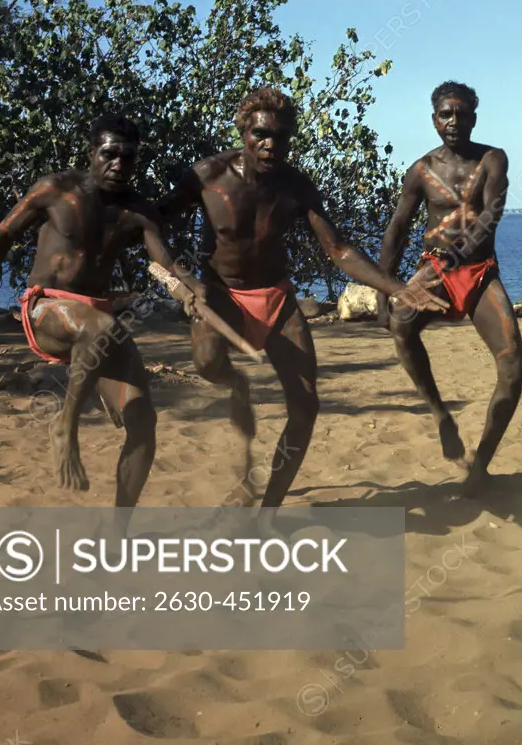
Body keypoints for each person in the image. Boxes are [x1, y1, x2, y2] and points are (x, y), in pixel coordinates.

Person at [157, 87, 447, 508]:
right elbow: (154, 223)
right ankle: (236, 384)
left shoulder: (296, 186)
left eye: (281, 137)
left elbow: (339, 249)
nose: (270, 144)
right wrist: (176, 276)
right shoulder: (207, 175)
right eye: (261, 134)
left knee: (305, 407)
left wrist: (396, 286)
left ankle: (269, 507)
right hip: (219, 295)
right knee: (206, 365)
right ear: (243, 131)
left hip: (276, 298)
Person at [0, 114, 204, 506]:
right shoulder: (55, 190)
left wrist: (186, 294)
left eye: (129, 158)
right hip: (45, 308)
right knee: (102, 325)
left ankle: (118, 534)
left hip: (99, 321)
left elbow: (165, 267)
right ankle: (66, 425)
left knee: (143, 423)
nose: (119, 165)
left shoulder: (138, 211)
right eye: (110, 154)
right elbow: (0, 238)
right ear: (92, 152)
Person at [377, 81, 522, 495]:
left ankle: (480, 468)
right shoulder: (421, 171)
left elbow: (489, 217)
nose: (454, 121)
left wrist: (458, 259)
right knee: (400, 327)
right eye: (446, 114)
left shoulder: (493, 160)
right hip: (434, 270)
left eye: (461, 114)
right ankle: (442, 415)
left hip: (478, 273)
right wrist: (381, 290)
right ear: (434, 119)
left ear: (474, 118)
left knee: (513, 367)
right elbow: (397, 230)